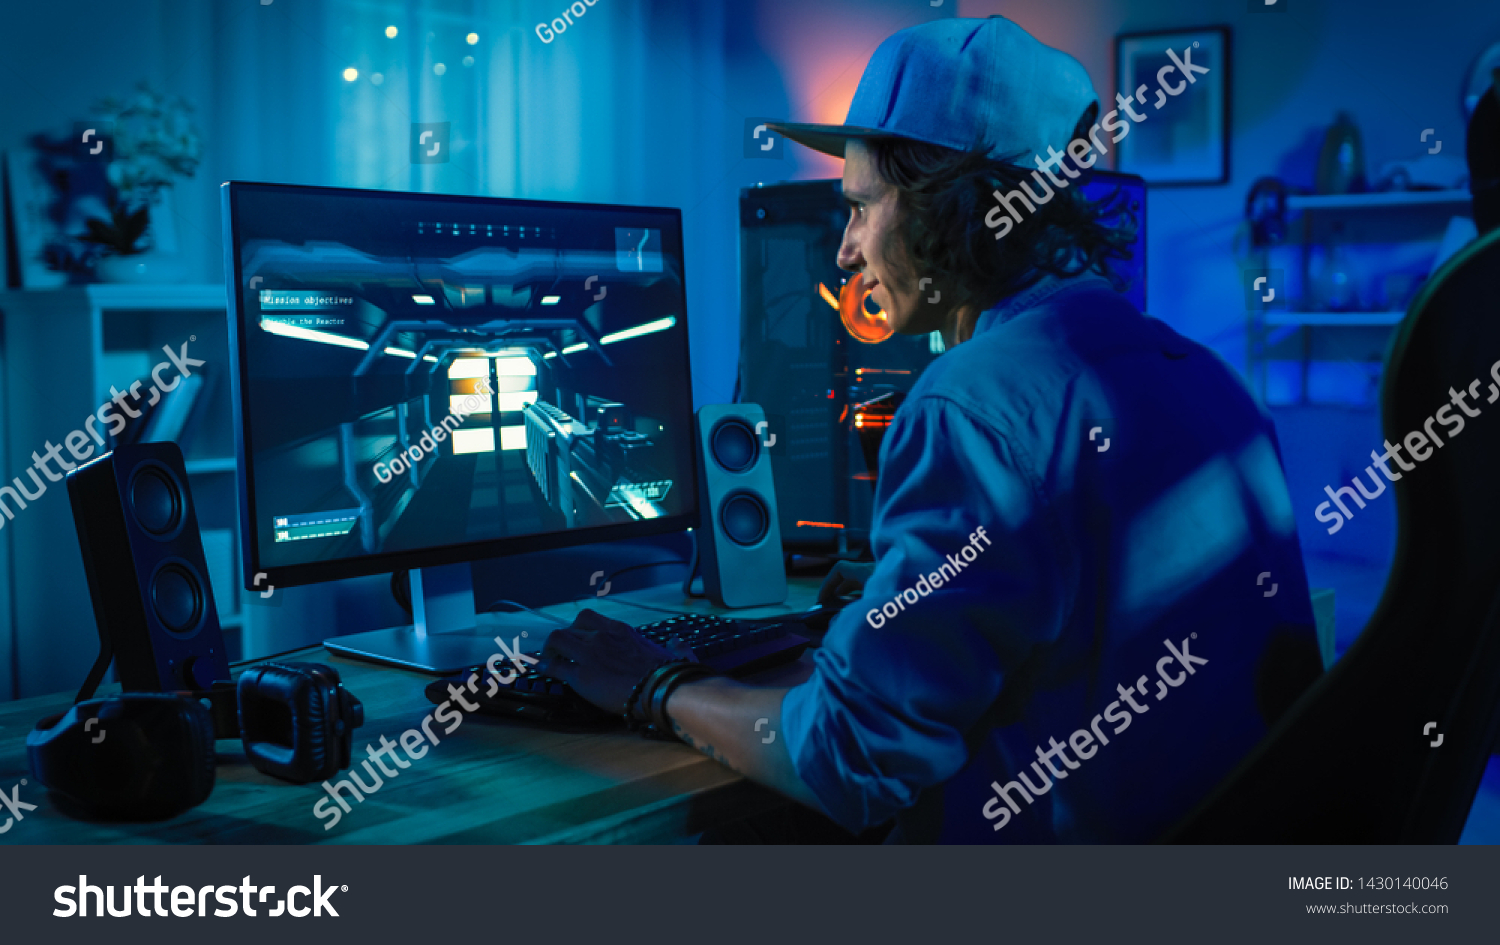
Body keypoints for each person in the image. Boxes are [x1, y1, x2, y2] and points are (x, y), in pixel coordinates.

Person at [538, 15, 1321, 843]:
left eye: (860, 208)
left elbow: (847, 758)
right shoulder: (1212, 379)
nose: (844, 251)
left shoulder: (968, 405)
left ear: (951, 207)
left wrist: (655, 684)